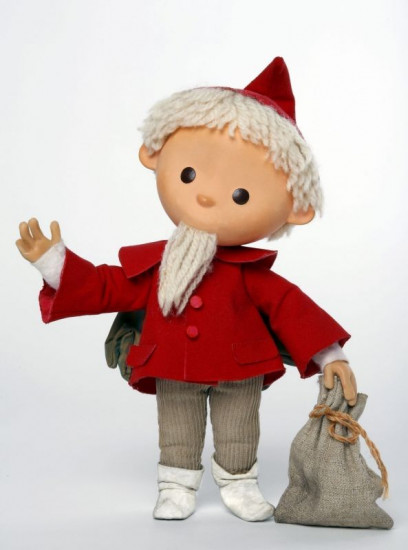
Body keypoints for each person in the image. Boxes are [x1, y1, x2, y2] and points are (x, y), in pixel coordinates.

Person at [16, 57, 357, 522]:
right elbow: (107, 286)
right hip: (172, 362)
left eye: (240, 195)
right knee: (176, 427)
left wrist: (330, 355)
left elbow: (292, 309)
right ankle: (176, 484)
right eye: (190, 175)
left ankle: (239, 482)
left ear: (295, 209)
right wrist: (54, 264)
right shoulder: (158, 266)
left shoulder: (253, 275)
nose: (206, 196)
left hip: (240, 367)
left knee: (239, 429)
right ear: (154, 154)